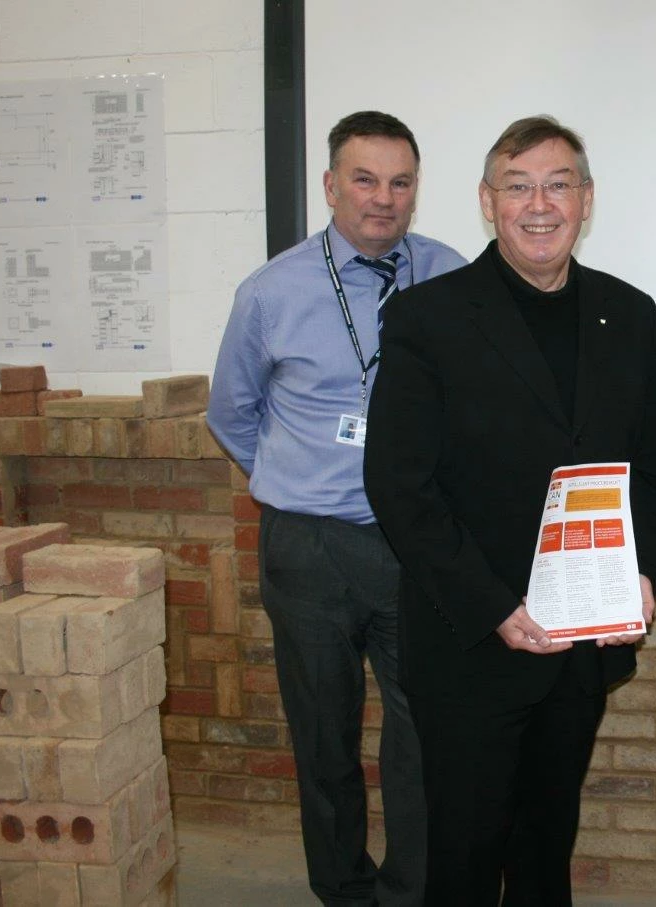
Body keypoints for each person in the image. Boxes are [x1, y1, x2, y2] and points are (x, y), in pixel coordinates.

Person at [364, 115, 656, 907]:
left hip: (580, 645)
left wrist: (643, 573)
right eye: (518, 186)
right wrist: (496, 605)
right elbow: (400, 486)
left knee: (547, 849)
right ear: (487, 201)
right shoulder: (427, 318)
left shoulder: (630, 314)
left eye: (558, 184)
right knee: (464, 859)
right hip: (471, 641)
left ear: (586, 199)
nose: (540, 205)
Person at [206, 110, 466, 907]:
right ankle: (344, 890)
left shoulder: (451, 276)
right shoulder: (272, 291)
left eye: (400, 182)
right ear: (329, 185)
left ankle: (411, 890)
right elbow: (231, 412)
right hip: (309, 547)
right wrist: (296, 481)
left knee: (424, 733)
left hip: (416, 545)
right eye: (364, 178)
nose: (383, 198)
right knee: (323, 733)